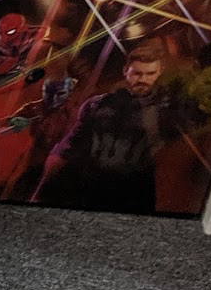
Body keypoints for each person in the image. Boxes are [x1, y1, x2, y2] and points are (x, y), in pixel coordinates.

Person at [28, 41, 174, 212]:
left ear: (159, 72)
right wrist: (41, 193)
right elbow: (67, 150)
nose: (143, 79)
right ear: (125, 71)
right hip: (87, 186)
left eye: (150, 74)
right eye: (137, 73)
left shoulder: (167, 111)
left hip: (131, 192)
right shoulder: (97, 105)